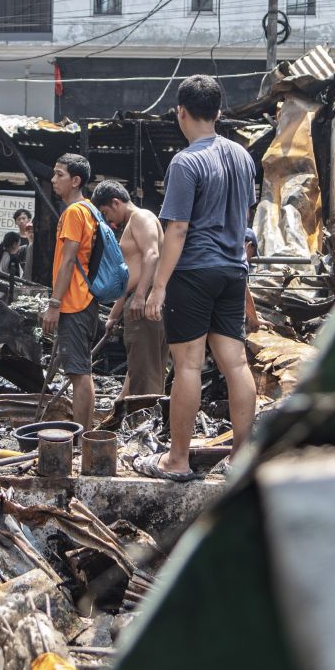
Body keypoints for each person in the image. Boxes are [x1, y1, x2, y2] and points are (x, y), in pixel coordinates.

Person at [143, 75, 258, 480]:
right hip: (231, 270)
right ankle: (241, 459)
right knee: (236, 363)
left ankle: (177, 460)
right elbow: (245, 221)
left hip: (193, 273)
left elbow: (177, 230)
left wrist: (158, 287)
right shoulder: (243, 157)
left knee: (188, 365)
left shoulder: (186, 161)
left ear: (182, 112)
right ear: (219, 111)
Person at [93, 180, 168, 398]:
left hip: (143, 302)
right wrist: (113, 316)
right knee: (140, 369)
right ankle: (126, 413)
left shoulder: (141, 217)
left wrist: (141, 296)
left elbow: (152, 255)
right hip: (138, 300)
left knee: (146, 373)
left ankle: (144, 422)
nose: (108, 219)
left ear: (116, 203)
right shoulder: (134, 223)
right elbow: (129, 278)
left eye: (106, 212)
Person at [40, 154, 99, 431]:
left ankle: (81, 438)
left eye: (59, 174)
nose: (53, 180)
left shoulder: (75, 212)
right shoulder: (88, 209)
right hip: (83, 299)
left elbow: (68, 259)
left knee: (79, 373)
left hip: (74, 301)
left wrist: (54, 303)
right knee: (81, 372)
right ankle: (84, 436)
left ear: (76, 181)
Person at [14, 207, 34, 277]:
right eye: (19, 219)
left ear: (29, 220)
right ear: (16, 222)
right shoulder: (14, 238)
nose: (21, 221)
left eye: (23, 218)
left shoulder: (36, 238)